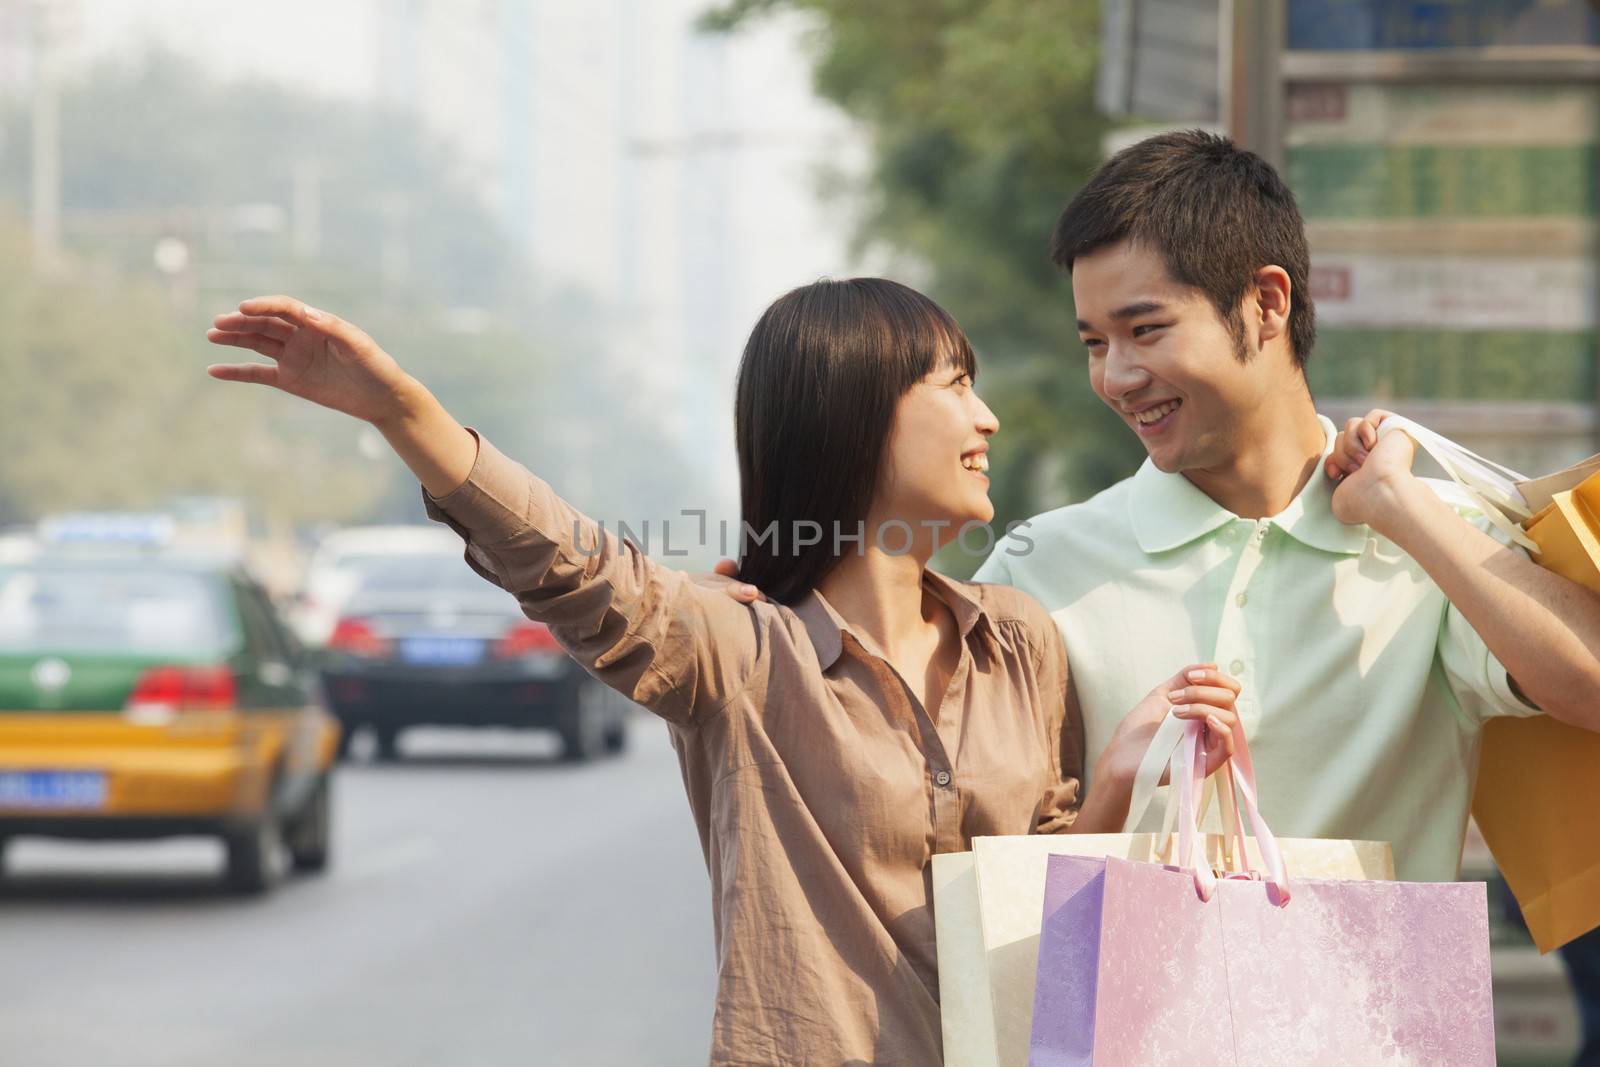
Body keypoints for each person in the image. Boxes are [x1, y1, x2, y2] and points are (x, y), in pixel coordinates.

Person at [205, 278, 1242, 1065]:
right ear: (853, 413)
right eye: (955, 385)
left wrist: (1118, 780)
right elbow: (577, 569)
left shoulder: (1015, 639)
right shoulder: (745, 652)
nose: (987, 420)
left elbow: (1049, 914)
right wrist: (404, 416)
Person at [722, 131, 1600, 884]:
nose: (1116, 378)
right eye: (1095, 344)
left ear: (1266, 302)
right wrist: (773, 622)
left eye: (1146, 330)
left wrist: (1403, 510)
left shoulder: (1430, 539)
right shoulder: (1042, 568)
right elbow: (923, 775)